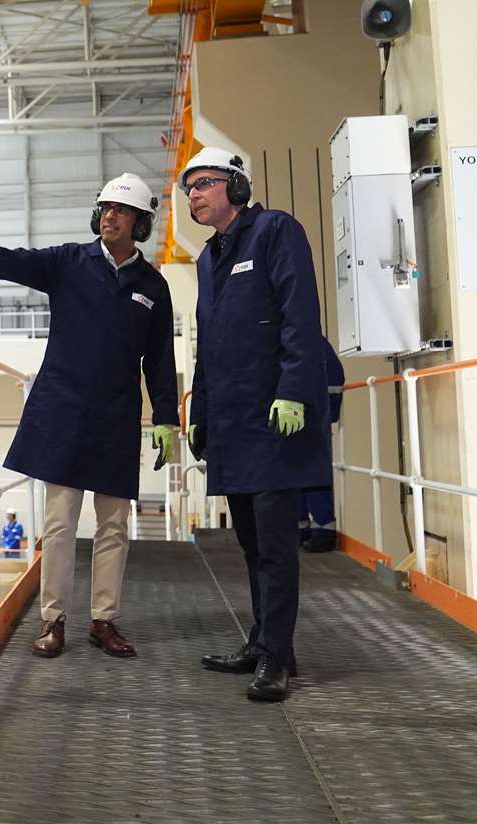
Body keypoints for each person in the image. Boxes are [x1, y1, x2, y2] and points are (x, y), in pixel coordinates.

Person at [0, 172, 179, 660]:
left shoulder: (153, 287)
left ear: (139, 222)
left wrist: (166, 418)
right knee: (59, 524)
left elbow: (160, 360)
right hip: (64, 412)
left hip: (118, 418)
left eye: (120, 211)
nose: (109, 216)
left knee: (114, 527)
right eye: (104, 209)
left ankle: (104, 620)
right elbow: (14, 263)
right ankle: (53, 620)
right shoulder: (68, 262)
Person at [181, 147, 332, 702]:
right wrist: (198, 413)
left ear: (236, 187)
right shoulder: (207, 259)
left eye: (204, 184)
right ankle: (266, 642)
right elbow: (208, 345)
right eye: (188, 188)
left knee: (274, 546)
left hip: (275, 420)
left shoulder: (275, 230)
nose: (194, 195)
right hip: (232, 423)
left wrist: (293, 391)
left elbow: (300, 314)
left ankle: (276, 659)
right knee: (249, 544)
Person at [301, 337, 345, 554]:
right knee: (298, 471)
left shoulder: (307, 340)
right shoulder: (312, 340)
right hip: (309, 412)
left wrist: (326, 413)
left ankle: (323, 530)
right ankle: (304, 527)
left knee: (312, 471)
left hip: (312, 414)